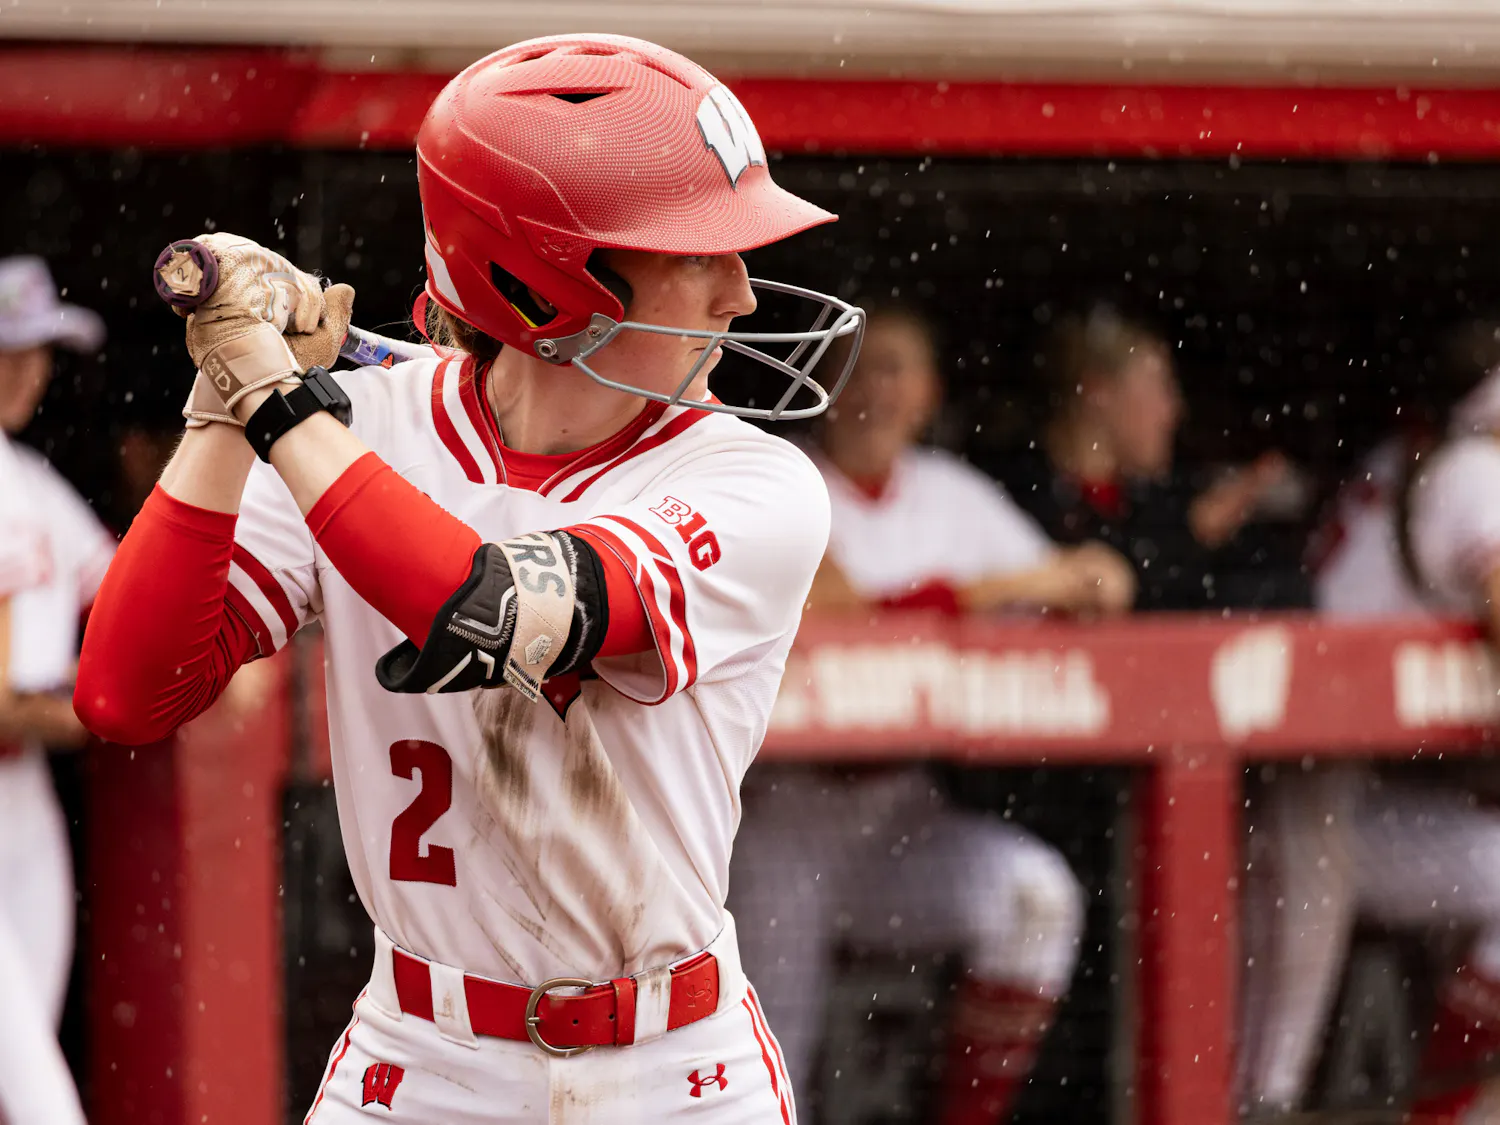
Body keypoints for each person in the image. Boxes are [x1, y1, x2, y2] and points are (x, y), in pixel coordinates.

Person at [75, 34, 864, 1124]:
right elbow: (127, 690)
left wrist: (282, 406)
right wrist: (225, 402)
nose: (738, 293)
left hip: (674, 1071)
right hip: (420, 1059)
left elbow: (488, 607)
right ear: (549, 283)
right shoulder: (357, 428)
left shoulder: (755, 480)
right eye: (695, 253)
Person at [730, 304, 1135, 1125]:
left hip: (900, 811)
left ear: (929, 392)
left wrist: (1081, 578)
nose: (875, 388)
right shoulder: (781, 474)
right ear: (824, 383)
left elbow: (1095, 583)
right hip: (780, 813)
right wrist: (1002, 590)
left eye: (896, 368)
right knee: (773, 1061)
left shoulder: (950, 493)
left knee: (1035, 899)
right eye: (858, 366)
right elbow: (839, 609)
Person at [1243, 321, 1500, 1123]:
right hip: (1291, 785)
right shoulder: (1474, 471)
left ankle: (1445, 1114)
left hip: (1332, 788)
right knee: (1259, 1077)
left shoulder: (1415, 458)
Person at [0, 255, 112, 1125]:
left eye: (36, 352)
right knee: (41, 1097)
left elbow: (133, 598)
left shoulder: (32, 481)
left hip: (24, 800)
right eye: (6, 352)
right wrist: (103, 707)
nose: (24, 371)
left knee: (28, 1052)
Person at [992, 305, 1303, 611]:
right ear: (1098, 392)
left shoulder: (1163, 500)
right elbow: (1094, 589)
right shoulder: (1016, 496)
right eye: (1158, 387)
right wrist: (1189, 537)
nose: (1173, 411)